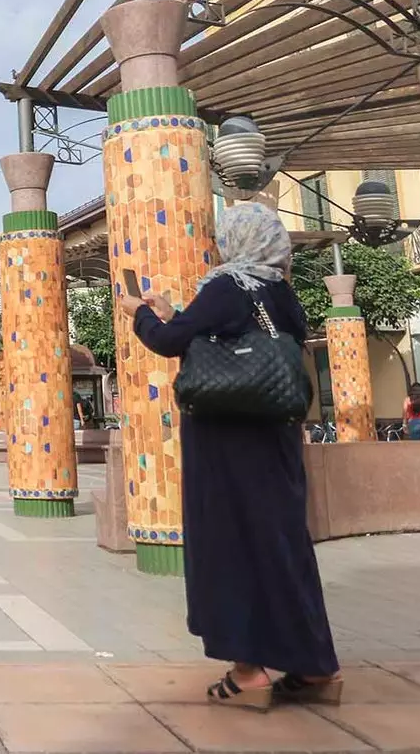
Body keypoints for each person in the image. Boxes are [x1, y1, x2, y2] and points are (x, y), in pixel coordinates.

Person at [119, 202, 340, 711]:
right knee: (283, 545)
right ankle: (314, 665)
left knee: (228, 545)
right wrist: (178, 314)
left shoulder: (226, 286)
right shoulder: (282, 294)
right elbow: (226, 338)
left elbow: (172, 342)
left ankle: (247, 672)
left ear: (235, 241)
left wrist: (144, 315)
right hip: (277, 438)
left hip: (225, 440)